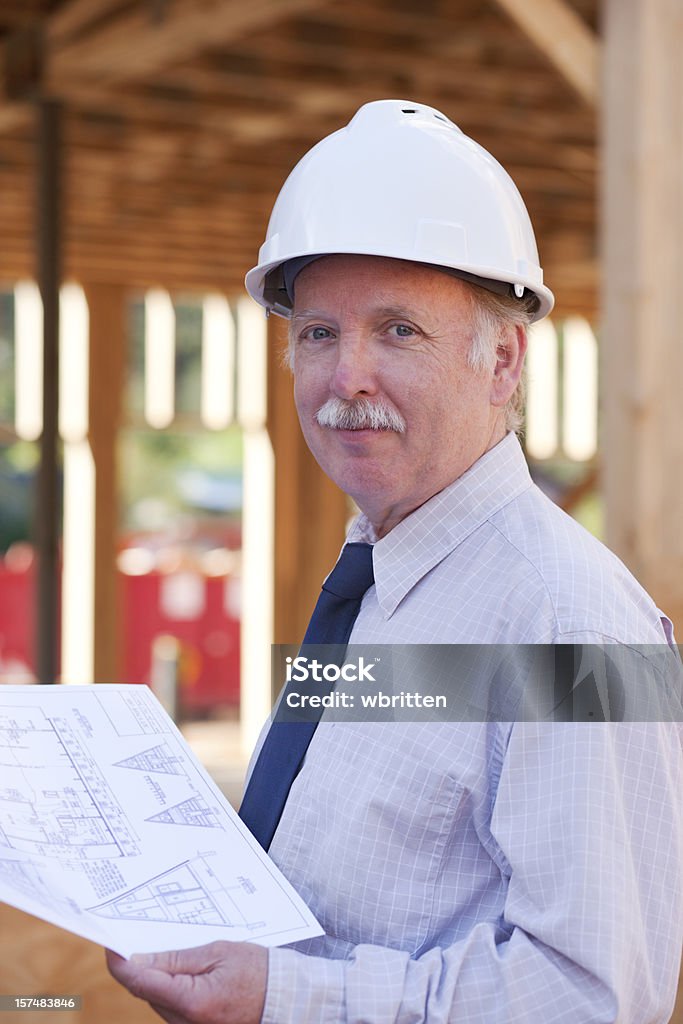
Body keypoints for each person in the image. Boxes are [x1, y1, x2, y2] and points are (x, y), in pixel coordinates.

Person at [107, 100, 683, 1023]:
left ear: (503, 362)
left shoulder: (576, 626)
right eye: (319, 334)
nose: (346, 378)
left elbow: (594, 997)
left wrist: (282, 996)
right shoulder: (380, 577)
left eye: (399, 330)